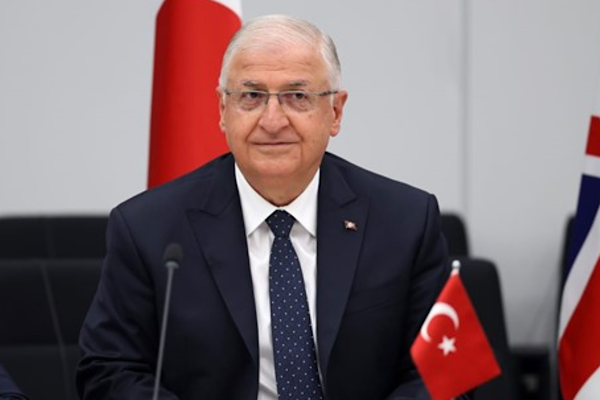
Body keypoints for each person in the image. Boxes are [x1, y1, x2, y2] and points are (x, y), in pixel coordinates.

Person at [77, 14, 469, 400]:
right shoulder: (148, 229)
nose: (272, 120)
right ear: (222, 110)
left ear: (335, 112)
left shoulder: (406, 221)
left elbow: (448, 374)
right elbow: (108, 369)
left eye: (297, 96)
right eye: (251, 96)